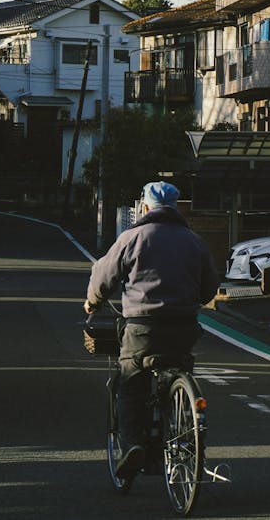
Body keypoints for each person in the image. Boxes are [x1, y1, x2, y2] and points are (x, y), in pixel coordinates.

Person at [83, 181, 219, 480]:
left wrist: (92, 303)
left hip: (143, 327)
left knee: (130, 385)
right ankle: (182, 428)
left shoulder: (132, 237)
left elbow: (103, 277)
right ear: (175, 207)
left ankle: (133, 445)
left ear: (144, 207)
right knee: (178, 369)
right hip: (184, 327)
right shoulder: (194, 241)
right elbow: (210, 287)